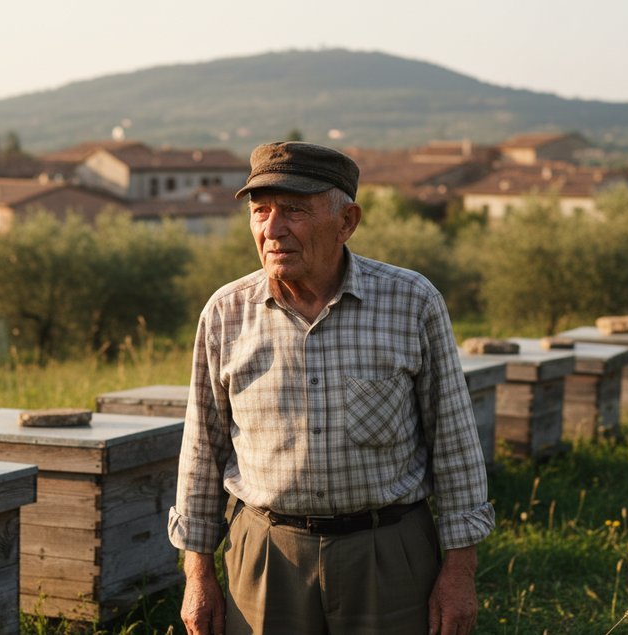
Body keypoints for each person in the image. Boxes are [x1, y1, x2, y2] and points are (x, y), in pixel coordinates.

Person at [168, 141, 494, 635]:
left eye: (294, 211)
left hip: (390, 555)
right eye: (261, 212)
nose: (272, 230)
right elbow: (201, 451)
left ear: (347, 222)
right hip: (264, 556)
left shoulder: (412, 302)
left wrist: (460, 572)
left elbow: (455, 442)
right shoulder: (225, 312)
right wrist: (197, 574)